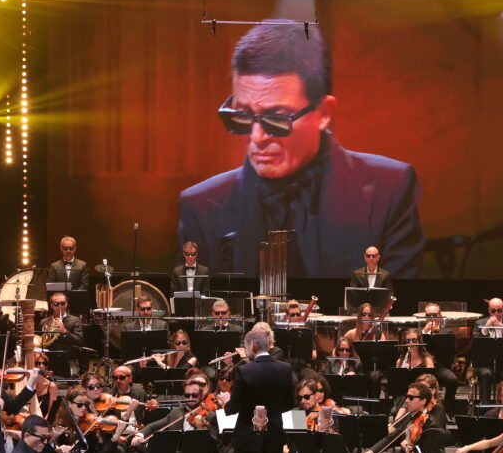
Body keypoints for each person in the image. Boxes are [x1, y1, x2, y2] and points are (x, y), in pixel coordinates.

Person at [178, 21, 424, 278]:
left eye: (277, 118)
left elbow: (398, 298)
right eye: (241, 116)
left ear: (324, 113)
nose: (256, 137)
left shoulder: (390, 189)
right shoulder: (199, 206)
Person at [473, 298, 503, 402]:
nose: (496, 314)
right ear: (489, 310)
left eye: (499, 311)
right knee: (485, 374)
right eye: (493, 311)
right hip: (484, 365)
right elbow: (475, 344)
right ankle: (484, 408)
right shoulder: (479, 323)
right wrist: (485, 328)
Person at [40, 292, 85, 377]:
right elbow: (41, 342)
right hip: (49, 360)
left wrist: (65, 331)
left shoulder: (75, 320)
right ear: (51, 305)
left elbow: (79, 341)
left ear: (67, 304)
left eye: (63, 303)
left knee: (72, 383)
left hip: (69, 360)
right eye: (56, 304)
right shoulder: (44, 322)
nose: (60, 306)